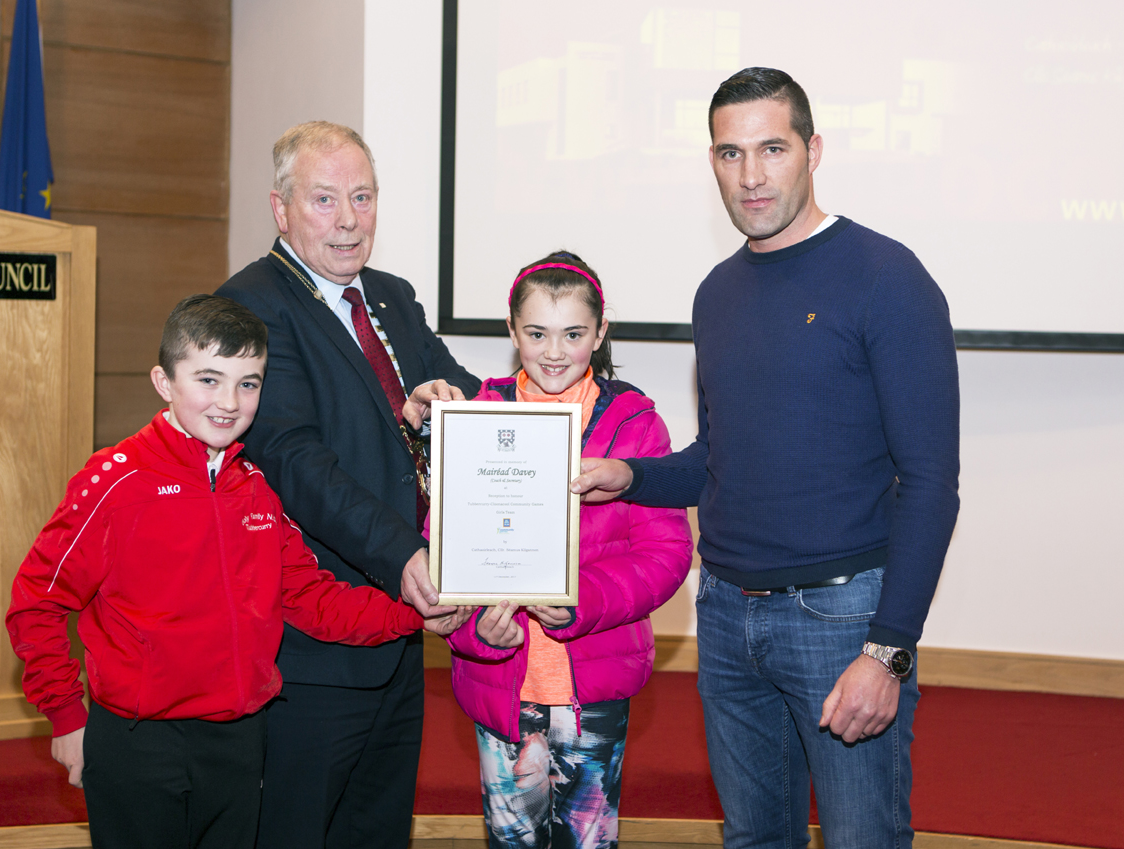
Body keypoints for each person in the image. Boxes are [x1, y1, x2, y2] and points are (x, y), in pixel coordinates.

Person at [571, 68, 961, 847]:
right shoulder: (716, 293)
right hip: (722, 614)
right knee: (753, 838)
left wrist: (888, 651)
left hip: (843, 618)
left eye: (772, 148)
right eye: (729, 153)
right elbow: (719, 456)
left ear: (813, 149)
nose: (750, 175)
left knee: (863, 840)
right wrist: (633, 477)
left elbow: (930, 483)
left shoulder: (888, 277)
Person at [5, 295, 466, 849]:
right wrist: (64, 717)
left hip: (242, 738)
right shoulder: (115, 481)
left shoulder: (255, 489)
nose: (228, 402)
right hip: (138, 741)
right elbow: (36, 603)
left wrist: (413, 612)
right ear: (163, 381)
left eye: (248, 383)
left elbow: (312, 598)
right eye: (208, 379)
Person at [215, 121, 481, 849]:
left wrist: (442, 402)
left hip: (402, 632)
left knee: (376, 826)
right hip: (313, 643)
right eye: (325, 200)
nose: (348, 220)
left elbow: (459, 389)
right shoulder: (252, 306)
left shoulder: (391, 296)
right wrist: (405, 556)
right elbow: (297, 461)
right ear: (281, 209)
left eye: (361, 198)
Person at [437, 252, 693, 849]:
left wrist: (582, 599)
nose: (555, 351)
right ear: (511, 332)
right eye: (537, 334)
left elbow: (665, 555)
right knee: (511, 840)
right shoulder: (477, 418)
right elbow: (445, 553)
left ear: (600, 333)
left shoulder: (635, 426)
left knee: (587, 841)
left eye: (574, 334)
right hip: (499, 680)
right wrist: (475, 631)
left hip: (594, 685)